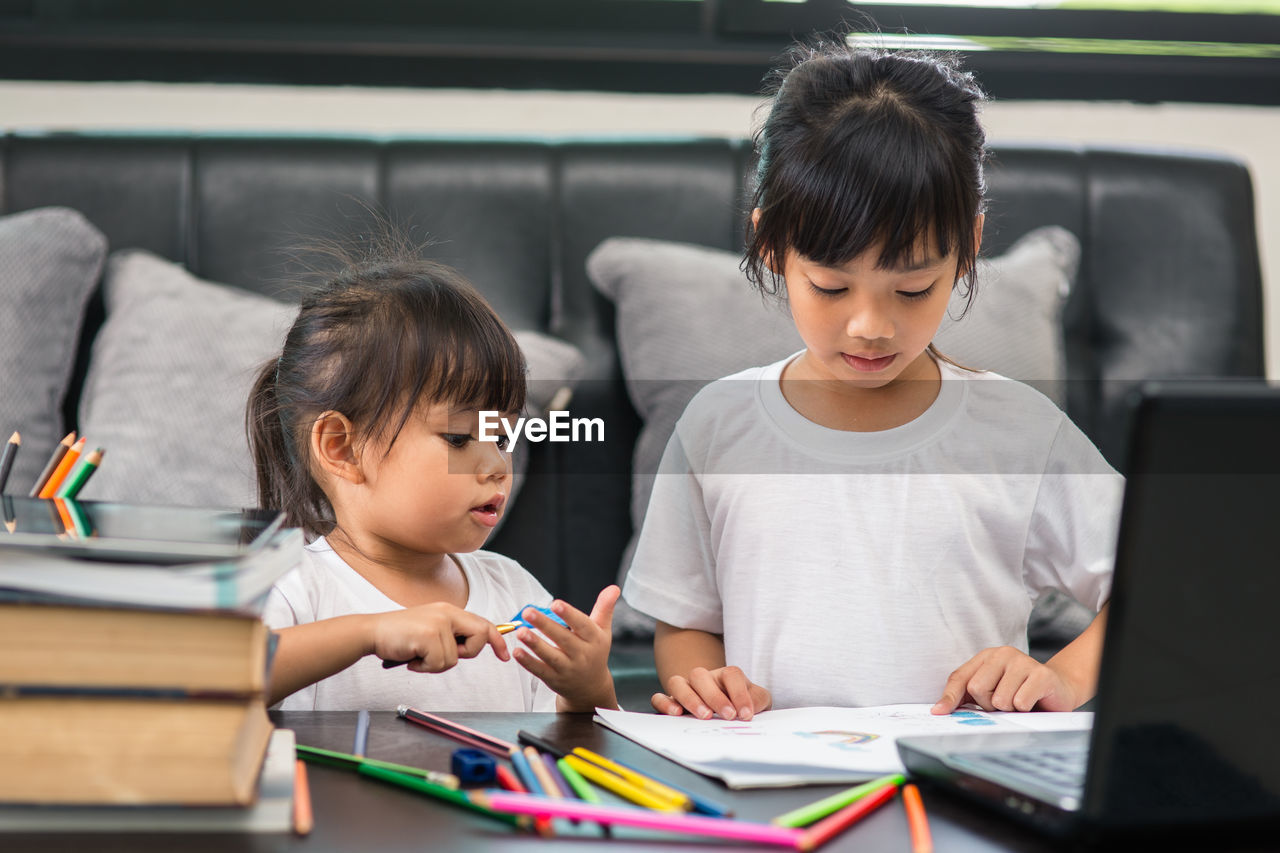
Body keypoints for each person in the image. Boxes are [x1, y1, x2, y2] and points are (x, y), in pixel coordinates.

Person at [622, 41, 1123, 721]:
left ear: (968, 247)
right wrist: (705, 684)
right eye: (831, 286)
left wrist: (1061, 677)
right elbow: (685, 618)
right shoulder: (719, 423)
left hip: (957, 789)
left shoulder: (1021, 432)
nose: (870, 326)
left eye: (912, 289)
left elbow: (1162, 582)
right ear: (771, 247)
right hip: (775, 791)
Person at [248, 248, 619, 712]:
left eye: (502, 437)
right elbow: (214, 687)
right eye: (459, 437)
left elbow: (572, 749)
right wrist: (368, 632)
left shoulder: (513, 591)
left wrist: (588, 693)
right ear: (342, 448)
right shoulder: (292, 588)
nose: (498, 465)